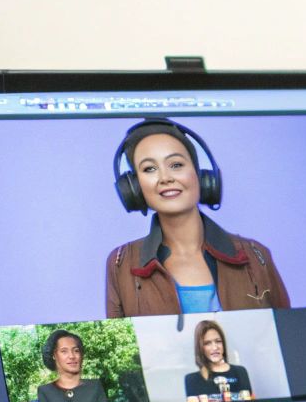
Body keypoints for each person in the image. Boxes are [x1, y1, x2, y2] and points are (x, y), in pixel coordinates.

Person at [104, 119, 292, 317]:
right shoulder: (121, 263)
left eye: (176, 165)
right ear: (133, 188)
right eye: (149, 169)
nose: (165, 178)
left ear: (200, 175)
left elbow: (286, 337)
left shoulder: (256, 255)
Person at [35, 329, 109, 402]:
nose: (72, 356)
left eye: (76, 350)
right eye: (64, 351)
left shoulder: (95, 387)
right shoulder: (45, 391)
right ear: (54, 355)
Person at [183, 320, 254, 402]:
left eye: (218, 341)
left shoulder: (240, 372)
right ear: (200, 347)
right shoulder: (192, 380)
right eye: (207, 343)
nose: (215, 347)